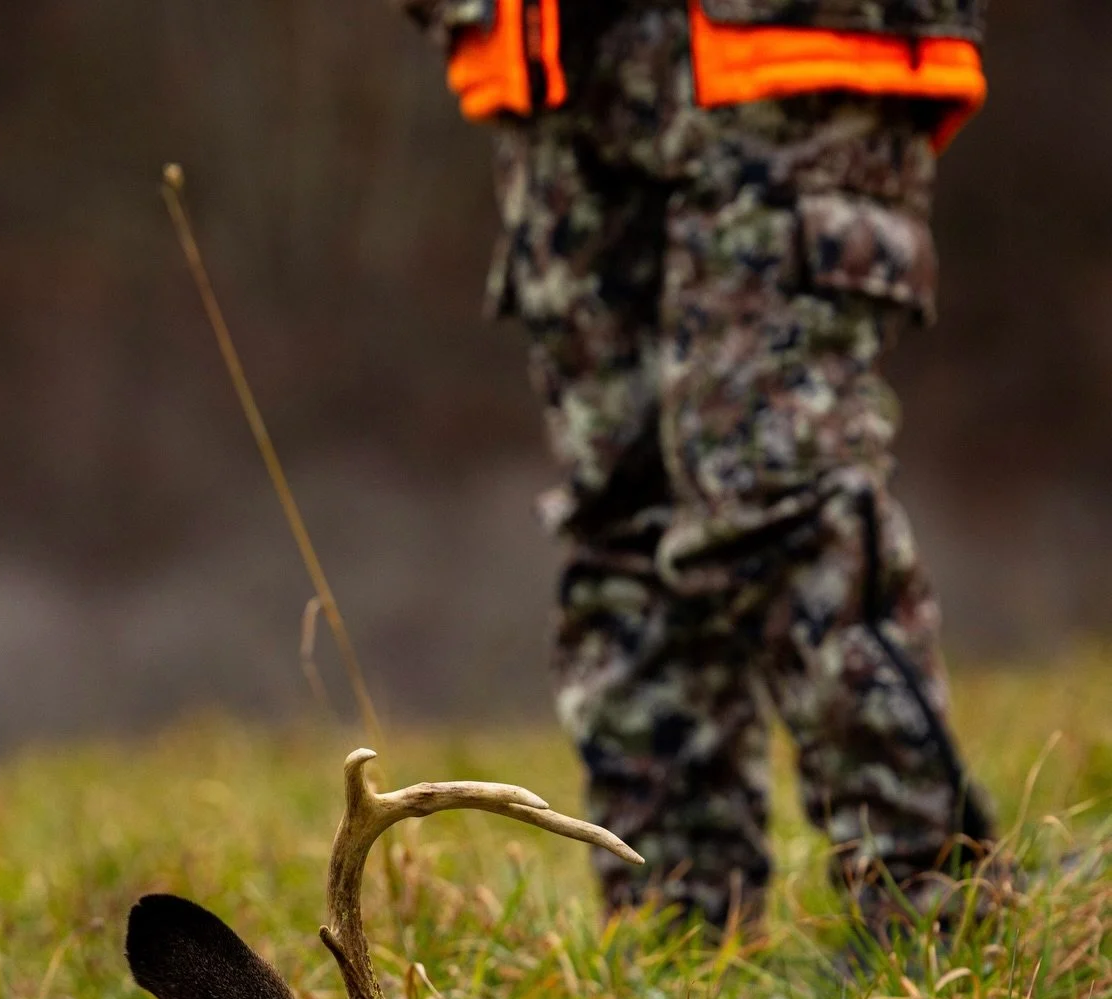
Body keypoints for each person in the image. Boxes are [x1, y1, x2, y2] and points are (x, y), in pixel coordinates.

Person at [395, 0, 998, 939]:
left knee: (775, 494)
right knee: (622, 516)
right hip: (555, 63)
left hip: (785, 50)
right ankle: (673, 938)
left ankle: (933, 914)